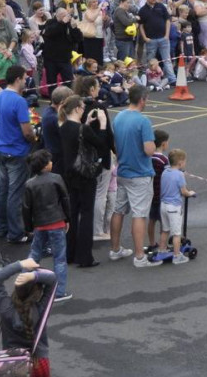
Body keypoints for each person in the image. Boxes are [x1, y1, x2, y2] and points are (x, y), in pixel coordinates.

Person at [110, 85, 161, 268]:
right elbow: (149, 150)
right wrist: (154, 146)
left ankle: (115, 249)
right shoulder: (143, 121)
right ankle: (140, 257)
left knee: (118, 210)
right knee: (139, 214)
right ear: (142, 100)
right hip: (140, 173)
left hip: (123, 170)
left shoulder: (119, 116)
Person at [58, 94, 108, 269]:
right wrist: (102, 125)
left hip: (70, 174)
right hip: (85, 174)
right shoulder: (83, 130)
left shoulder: (64, 127)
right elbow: (100, 143)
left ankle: (69, 253)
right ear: (78, 109)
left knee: (72, 213)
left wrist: (86, 122)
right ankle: (85, 256)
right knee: (86, 214)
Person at [0, 258, 57, 376]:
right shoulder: (40, 309)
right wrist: (34, 275)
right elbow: (53, 279)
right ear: (37, 292)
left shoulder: (6, 308)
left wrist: (20, 264)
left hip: (11, 362)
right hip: (38, 361)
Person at [0, 66, 37, 244]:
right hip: (17, 151)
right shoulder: (19, 101)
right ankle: (16, 232)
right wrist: (34, 138)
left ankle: (1, 228)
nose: (26, 80)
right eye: (25, 77)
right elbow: (26, 131)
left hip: (1, 148)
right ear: (18, 79)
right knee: (15, 194)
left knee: (3, 190)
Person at [22, 149, 73, 302]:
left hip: (39, 224)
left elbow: (26, 208)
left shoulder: (29, 184)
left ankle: (24, 284)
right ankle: (59, 292)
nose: (52, 163)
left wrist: (28, 227)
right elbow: (65, 200)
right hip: (56, 222)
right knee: (59, 258)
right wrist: (67, 219)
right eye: (49, 161)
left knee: (35, 254)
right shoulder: (56, 179)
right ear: (45, 165)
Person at [158, 148, 195, 264]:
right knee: (176, 233)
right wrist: (190, 193)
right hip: (173, 207)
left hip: (163, 205)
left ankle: (162, 250)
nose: (185, 163)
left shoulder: (165, 172)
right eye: (184, 161)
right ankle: (177, 255)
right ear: (180, 162)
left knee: (165, 230)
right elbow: (184, 192)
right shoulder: (179, 175)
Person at [138, 0, 176, 86]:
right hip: (151, 39)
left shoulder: (161, 6)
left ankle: (172, 79)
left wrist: (167, 35)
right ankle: (149, 79)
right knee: (150, 61)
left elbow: (168, 20)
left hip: (163, 38)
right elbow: (141, 25)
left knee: (167, 59)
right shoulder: (142, 10)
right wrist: (145, 37)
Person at [41, 7, 83, 89]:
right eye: (63, 16)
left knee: (68, 81)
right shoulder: (51, 22)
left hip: (65, 59)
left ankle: (68, 99)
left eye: (66, 15)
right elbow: (49, 33)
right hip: (51, 59)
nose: (66, 18)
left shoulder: (69, 24)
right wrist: (62, 23)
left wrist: (74, 28)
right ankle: (53, 100)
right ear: (57, 16)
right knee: (51, 82)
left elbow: (79, 39)